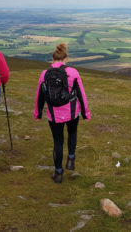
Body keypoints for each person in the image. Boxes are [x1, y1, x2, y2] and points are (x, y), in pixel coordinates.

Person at [34, 43, 90, 184]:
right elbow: (81, 94)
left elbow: (39, 96)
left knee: (57, 142)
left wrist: (38, 113)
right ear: (66, 58)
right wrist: (85, 113)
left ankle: (58, 173)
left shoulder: (44, 73)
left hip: (53, 115)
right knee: (72, 133)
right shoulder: (73, 72)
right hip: (72, 113)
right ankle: (71, 159)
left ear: (53, 58)